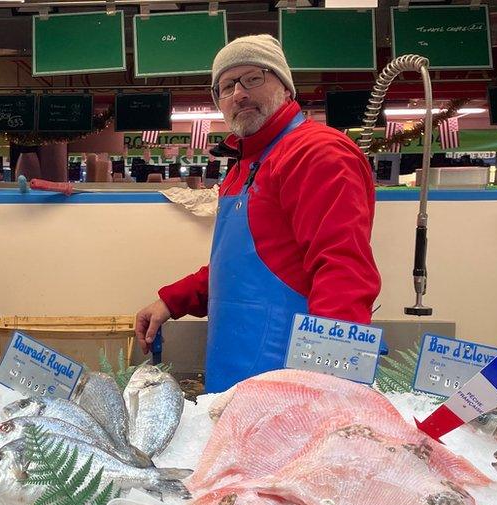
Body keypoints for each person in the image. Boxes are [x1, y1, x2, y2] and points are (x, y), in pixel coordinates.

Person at [134, 35, 381, 393]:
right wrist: (173, 300)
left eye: (253, 78)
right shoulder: (243, 165)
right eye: (227, 86)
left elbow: (343, 270)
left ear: (285, 85)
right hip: (233, 375)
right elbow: (244, 265)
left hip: (289, 383)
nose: (239, 94)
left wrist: (328, 387)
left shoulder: (317, 152)